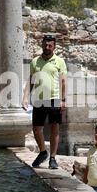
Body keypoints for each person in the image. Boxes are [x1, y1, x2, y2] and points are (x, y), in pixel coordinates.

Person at [23, 34, 67, 170]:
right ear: (42, 44)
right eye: (45, 45)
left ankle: (53, 158)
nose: (47, 47)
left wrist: (63, 100)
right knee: (36, 128)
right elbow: (30, 80)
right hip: (38, 99)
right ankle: (43, 152)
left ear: (54, 47)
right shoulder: (35, 61)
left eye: (50, 45)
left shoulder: (59, 61)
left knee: (55, 129)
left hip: (54, 98)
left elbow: (64, 81)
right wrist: (25, 97)